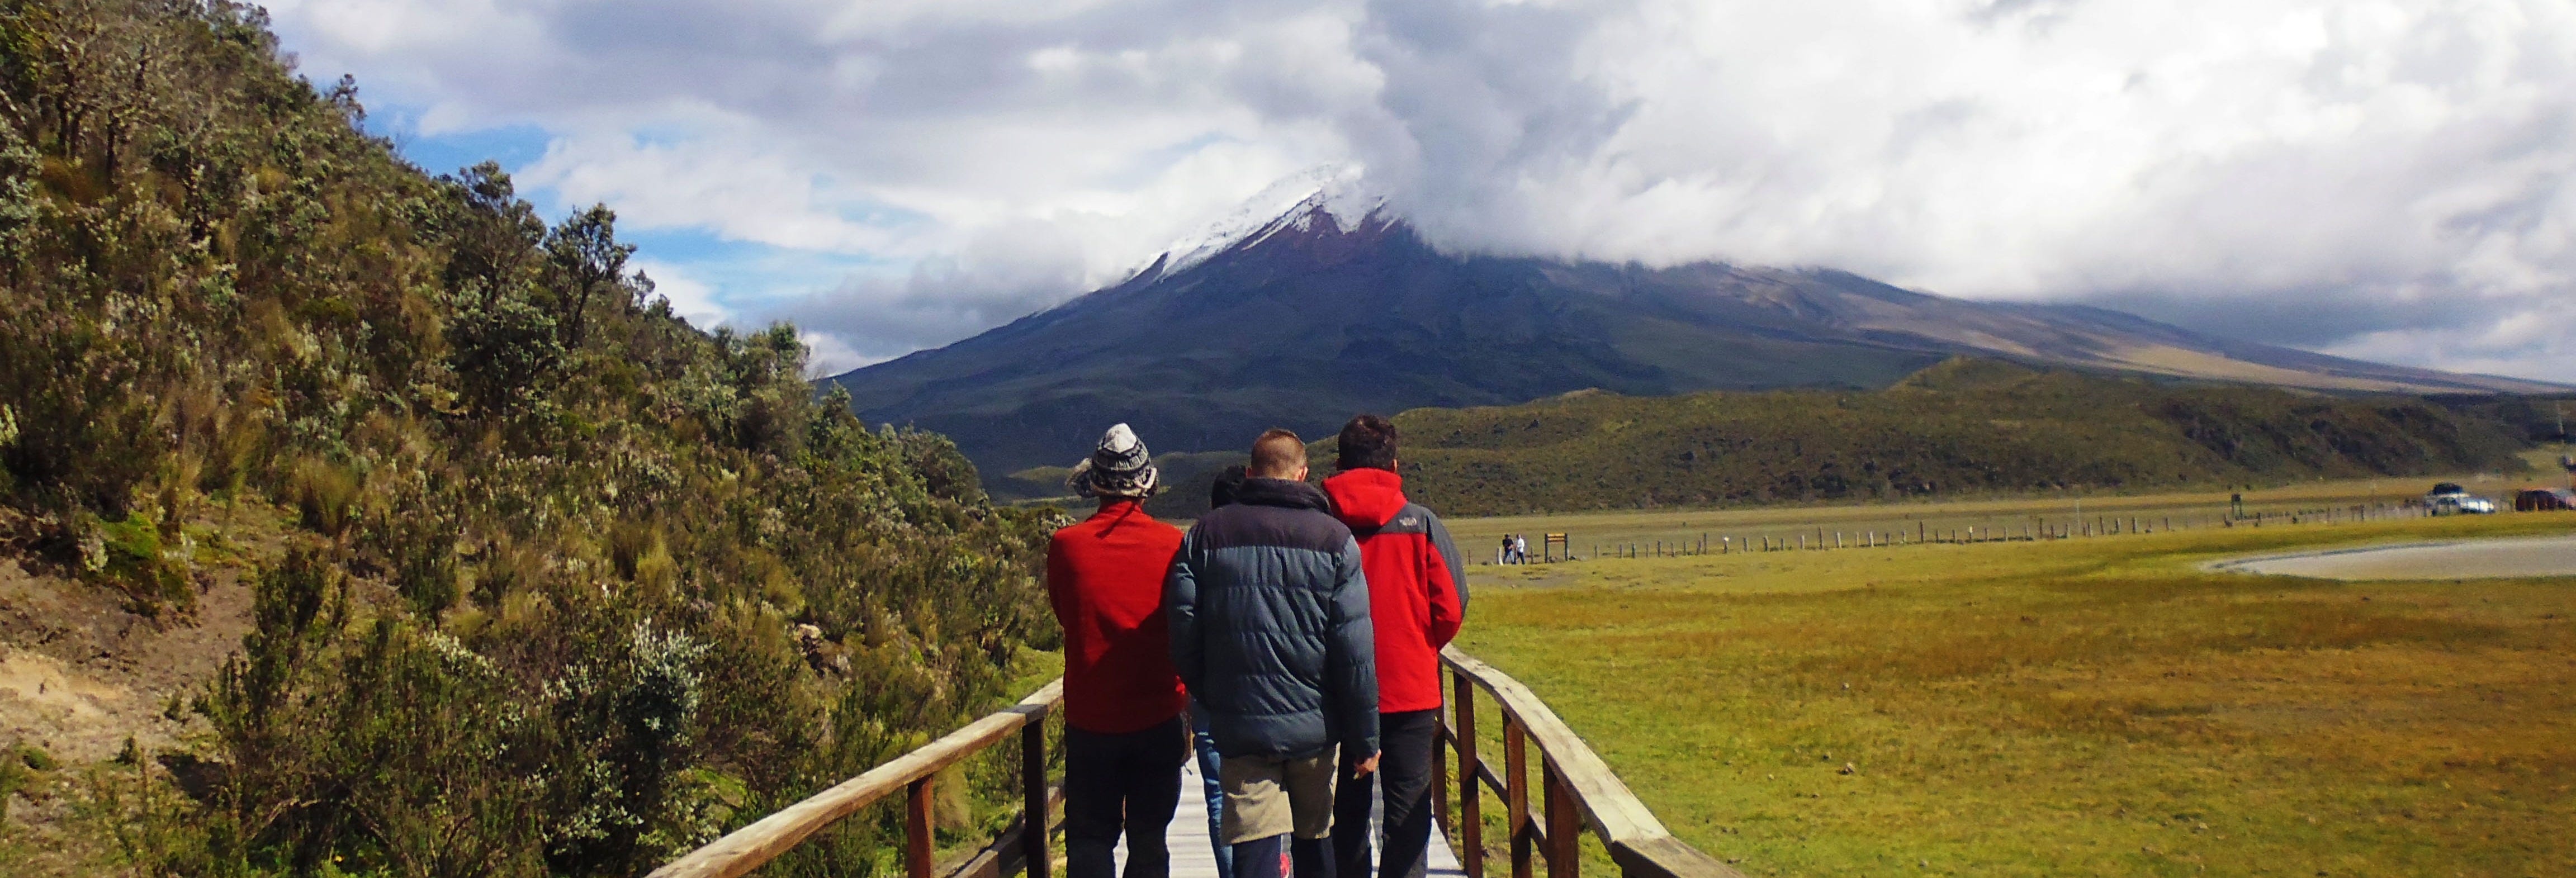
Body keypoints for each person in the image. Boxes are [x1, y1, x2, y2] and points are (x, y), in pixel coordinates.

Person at [1170, 430, 1379, 878]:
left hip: (1242, 726)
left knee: (1253, 847)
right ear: (1303, 474)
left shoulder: (1204, 536)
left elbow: (1183, 629)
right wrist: (1365, 738)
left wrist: (1213, 694)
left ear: (1250, 474)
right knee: (1316, 838)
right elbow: (1355, 650)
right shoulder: (1336, 540)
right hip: (1316, 728)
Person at [1320, 415, 1466, 878]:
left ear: (1340, 464)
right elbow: (1451, 607)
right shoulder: (1419, 523)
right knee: (1407, 815)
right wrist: (1419, 646)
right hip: (1410, 690)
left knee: (1343, 812)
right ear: (1395, 464)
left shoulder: (1319, 526)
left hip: (1335, 691)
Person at [1049, 424, 1190, 878]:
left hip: (1092, 721)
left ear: (1096, 484)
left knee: (1090, 837)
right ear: (1147, 483)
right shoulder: (1173, 544)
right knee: (1149, 840)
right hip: (1158, 716)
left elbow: (1065, 613)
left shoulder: (1066, 546)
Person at [1190, 464, 1252, 878]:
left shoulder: (1196, 545)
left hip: (1212, 688)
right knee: (1271, 791)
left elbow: (1183, 619)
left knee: (1219, 795)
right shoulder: (1276, 539)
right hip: (1273, 689)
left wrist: (1191, 684)